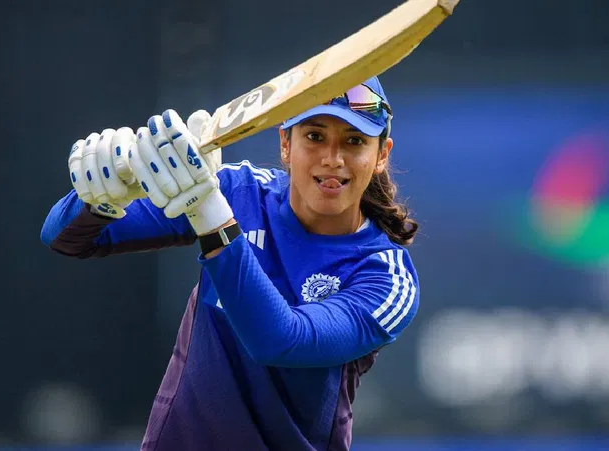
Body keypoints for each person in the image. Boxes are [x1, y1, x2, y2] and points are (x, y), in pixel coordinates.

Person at [40, 76, 420, 451]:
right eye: (314, 136)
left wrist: (209, 215)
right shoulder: (238, 192)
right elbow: (63, 236)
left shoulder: (386, 276)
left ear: (381, 154)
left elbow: (281, 342)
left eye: (354, 141)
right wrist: (106, 193)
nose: (332, 159)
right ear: (286, 144)